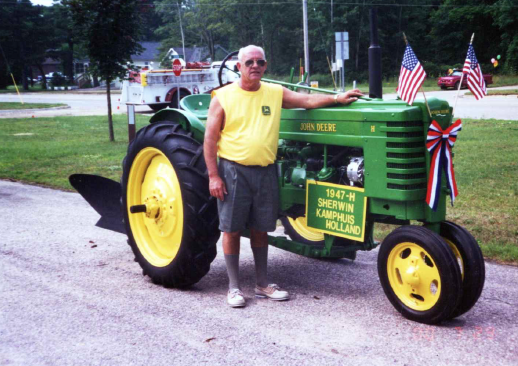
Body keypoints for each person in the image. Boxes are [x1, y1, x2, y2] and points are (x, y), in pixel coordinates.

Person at [204, 45, 363, 307]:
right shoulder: (222, 97)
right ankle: (233, 288)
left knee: (261, 227)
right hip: (233, 171)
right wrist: (214, 176)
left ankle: (262, 284)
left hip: (266, 170)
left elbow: (308, 101)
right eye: (249, 62)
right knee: (231, 228)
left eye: (260, 62)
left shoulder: (274, 92)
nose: (255, 66)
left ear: (265, 66)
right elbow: (210, 140)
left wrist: (337, 98)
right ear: (238, 67)